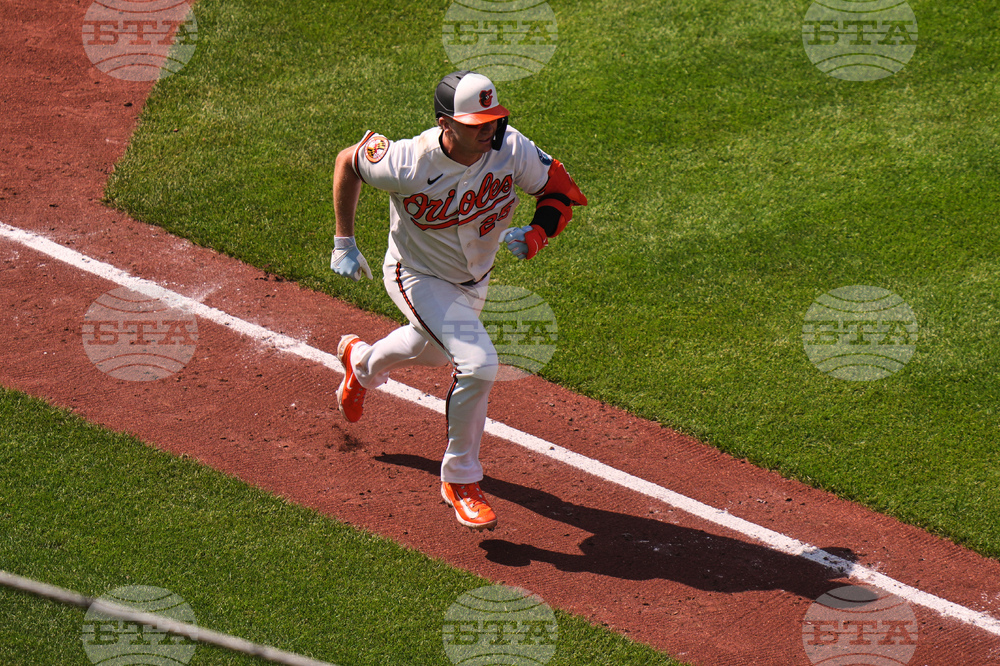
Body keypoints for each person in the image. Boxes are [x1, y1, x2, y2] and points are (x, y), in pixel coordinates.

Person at [329, 70, 586, 531]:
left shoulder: (512, 149)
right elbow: (348, 161)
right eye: (475, 122)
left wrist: (538, 233)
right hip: (417, 275)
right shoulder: (407, 161)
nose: (489, 129)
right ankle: (460, 479)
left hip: (473, 280)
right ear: (445, 123)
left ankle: (361, 364)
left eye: (494, 118)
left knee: (429, 350)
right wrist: (344, 242)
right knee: (478, 363)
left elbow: (559, 191)